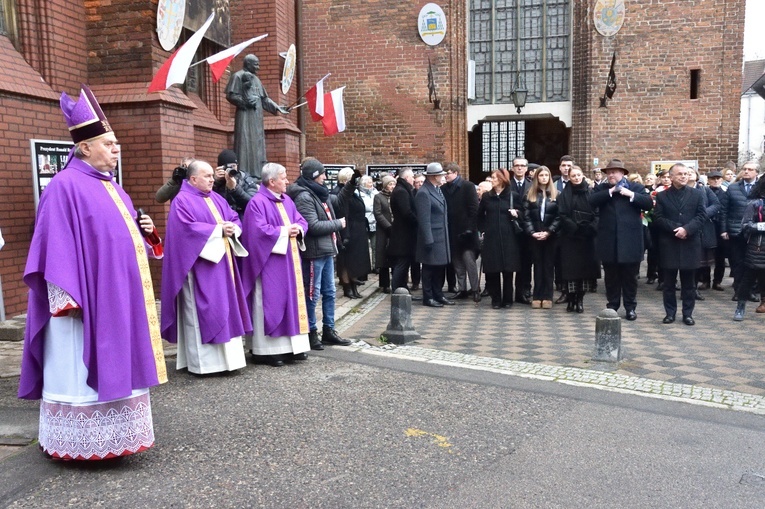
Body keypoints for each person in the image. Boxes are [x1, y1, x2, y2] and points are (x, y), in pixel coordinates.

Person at [19, 85, 167, 460]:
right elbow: (52, 246)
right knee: (77, 363)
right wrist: (66, 297)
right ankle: (78, 443)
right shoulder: (63, 187)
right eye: (109, 143)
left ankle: (116, 439)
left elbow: (116, 237)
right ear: (84, 148)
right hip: (80, 302)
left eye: (116, 143)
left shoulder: (115, 189)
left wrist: (144, 231)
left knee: (120, 363)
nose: (116, 149)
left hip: (116, 297)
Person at [160, 160, 250, 375]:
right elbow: (185, 231)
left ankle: (230, 361)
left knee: (225, 308)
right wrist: (218, 230)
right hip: (199, 266)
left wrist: (233, 228)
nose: (212, 179)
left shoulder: (217, 198)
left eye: (212, 176)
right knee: (204, 311)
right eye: (207, 176)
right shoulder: (181, 200)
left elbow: (234, 218)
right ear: (193, 179)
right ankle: (205, 365)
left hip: (224, 265)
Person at [240, 163, 310, 367]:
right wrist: (284, 232)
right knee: (269, 300)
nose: (287, 181)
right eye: (284, 177)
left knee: (291, 301)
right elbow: (257, 232)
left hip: (290, 260)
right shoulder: (257, 202)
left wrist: (298, 228)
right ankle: (265, 351)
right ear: (272, 181)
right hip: (268, 262)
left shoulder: (287, 200)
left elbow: (300, 221)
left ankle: (291, 348)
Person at [286, 157, 351, 348]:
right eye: (321, 173)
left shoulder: (319, 193)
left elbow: (337, 201)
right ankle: (311, 331)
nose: (324, 176)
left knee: (330, 292)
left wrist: (351, 184)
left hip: (326, 250)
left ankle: (329, 330)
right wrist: (338, 224)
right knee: (312, 294)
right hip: (314, 253)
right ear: (313, 176)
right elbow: (312, 226)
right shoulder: (304, 196)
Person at [589, 158, 653, 320]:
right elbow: (591, 201)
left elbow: (648, 203)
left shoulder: (635, 187)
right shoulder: (601, 188)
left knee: (630, 277)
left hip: (631, 241)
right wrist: (611, 192)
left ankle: (630, 307)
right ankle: (613, 305)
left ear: (623, 173)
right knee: (611, 276)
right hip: (609, 240)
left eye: (614, 172)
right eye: (608, 172)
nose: (611, 175)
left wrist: (630, 194)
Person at [652, 163, 707, 325]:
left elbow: (702, 216)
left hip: (690, 242)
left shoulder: (697, 194)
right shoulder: (662, 196)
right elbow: (658, 218)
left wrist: (687, 229)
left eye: (685, 174)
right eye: (680, 174)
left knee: (689, 283)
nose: (684, 176)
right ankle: (670, 313)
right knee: (669, 283)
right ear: (672, 177)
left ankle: (687, 314)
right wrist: (676, 229)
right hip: (670, 242)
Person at [225, 54, 289, 179]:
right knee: (245, 143)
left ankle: (256, 174)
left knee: (257, 145)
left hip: (257, 119)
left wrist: (278, 107)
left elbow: (264, 99)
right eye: (256, 64)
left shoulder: (256, 80)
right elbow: (230, 96)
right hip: (245, 117)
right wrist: (244, 102)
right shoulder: (237, 76)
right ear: (248, 64)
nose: (258, 67)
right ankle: (244, 174)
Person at [557, 165, 600, 313]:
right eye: (573, 175)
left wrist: (590, 228)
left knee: (584, 272)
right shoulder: (564, 195)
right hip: (570, 238)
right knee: (571, 272)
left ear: (582, 175)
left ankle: (580, 299)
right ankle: (571, 299)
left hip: (587, 238)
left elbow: (597, 213)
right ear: (569, 177)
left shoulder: (591, 192)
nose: (576, 178)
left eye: (578, 175)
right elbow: (562, 214)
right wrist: (574, 226)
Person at [477, 168, 522, 309]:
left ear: (502, 179)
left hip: (509, 237)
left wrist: (517, 213)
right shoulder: (486, 197)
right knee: (493, 270)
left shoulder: (512, 195)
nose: (492, 180)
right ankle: (495, 299)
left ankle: (508, 299)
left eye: (495, 177)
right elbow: (479, 216)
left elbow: (523, 213)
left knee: (508, 271)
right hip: (492, 237)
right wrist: (483, 230)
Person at [720, 162, 760, 300]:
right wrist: (723, 229)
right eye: (744, 169)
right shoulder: (733, 188)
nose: (746, 171)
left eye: (750, 169)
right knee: (738, 262)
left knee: (753, 263)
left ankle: (751, 291)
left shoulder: (761, 188)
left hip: (755, 232)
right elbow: (724, 210)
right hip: (736, 230)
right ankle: (738, 290)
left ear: (756, 172)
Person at [415, 162, 453, 307]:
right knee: (429, 268)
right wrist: (428, 239)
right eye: (441, 175)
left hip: (441, 236)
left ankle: (438, 294)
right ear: (434, 176)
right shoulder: (424, 193)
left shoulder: (437, 190)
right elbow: (424, 219)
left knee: (439, 267)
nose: (443, 177)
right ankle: (428, 296)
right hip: (432, 237)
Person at [522, 165, 560, 309]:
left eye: (546, 175)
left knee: (548, 266)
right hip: (535, 236)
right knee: (538, 266)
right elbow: (526, 216)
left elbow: (558, 216)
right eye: (541, 175)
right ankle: (537, 295)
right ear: (536, 177)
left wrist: (549, 231)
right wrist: (533, 232)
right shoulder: (529, 194)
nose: (543, 178)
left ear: (549, 177)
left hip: (550, 236)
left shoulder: (556, 194)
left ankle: (548, 296)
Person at [442, 162, 480, 301]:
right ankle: (462, 289)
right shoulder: (444, 189)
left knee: (469, 262)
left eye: (448, 173)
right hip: (451, 231)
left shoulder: (467, 186)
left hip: (466, 232)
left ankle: (475, 289)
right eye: (444, 173)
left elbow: (474, 208)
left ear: (456, 173)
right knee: (457, 263)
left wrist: (470, 228)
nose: (445, 176)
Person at [331, 167, 370, 298]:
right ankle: (347, 287)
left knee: (355, 260)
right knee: (346, 261)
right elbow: (343, 213)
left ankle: (353, 286)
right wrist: (345, 234)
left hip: (358, 229)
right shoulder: (341, 193)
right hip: (348, 230)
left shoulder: (354, 192)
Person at [733, 176, 765, 320]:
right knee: (748, 279)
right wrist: (762, 226)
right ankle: (740, 307)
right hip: (757, 247)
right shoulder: (755, 204)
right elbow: (745, 225)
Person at [388, 168, 418, 293]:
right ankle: (396, 290)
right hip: (403, 235)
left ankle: (402, 288)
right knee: (401, 263)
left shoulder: (403, 189)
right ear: (406, 178)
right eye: (412, 177)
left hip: (404, 233)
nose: (414, 179)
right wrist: (418, 221)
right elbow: (406, 212)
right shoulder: (401, 191)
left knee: (404, 264)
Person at [509, 158, 532, 304]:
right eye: (517, 166)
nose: (519, 168)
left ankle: (522, 292)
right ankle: (507, 293)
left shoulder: (532, 185)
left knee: (525, 262)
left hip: (526, 229)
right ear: (512, 168)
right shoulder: (506, 185)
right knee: (510, 262)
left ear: (526, 169)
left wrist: (520, 213)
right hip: (510, 229)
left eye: (522, 166)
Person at [213, 149, 260, 219]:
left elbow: (252, 205)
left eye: (233, 166)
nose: (231, 169)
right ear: (220, 168)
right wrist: (215, 182)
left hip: (243, 221)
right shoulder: (213, 181)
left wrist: (235, 189)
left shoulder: (245, 179)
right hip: (223, 221)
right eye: (228, 167)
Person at [705, 170, 728, 291]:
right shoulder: (704, 191)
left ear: (722, 180)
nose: (715, 180)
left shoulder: (726, 192)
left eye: (718, 178)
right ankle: (705, 280)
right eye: (713, 178)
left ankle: (717, 281)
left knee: (720, 256)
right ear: (708, 180)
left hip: (720, 226)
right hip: (708, 225)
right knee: (705, 254)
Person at [373, 175, 396, 293]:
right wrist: (388, 226)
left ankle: (396, 281)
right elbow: (378, 213)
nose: (392, 187)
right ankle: (384, 283)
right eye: (390, 184)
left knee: (395, 256)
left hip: (396, 230)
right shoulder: (378, 197)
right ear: (385, 186)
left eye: (393, 184)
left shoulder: (396, 196)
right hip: (383, 230)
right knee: (383, 257)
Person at [359, 175, 379, 274]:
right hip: (364, 223)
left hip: (375, 222)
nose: (371, 183)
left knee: (375, 246)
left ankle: (376, 266)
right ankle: (365, 267)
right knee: (365, 247)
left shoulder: (375, 192)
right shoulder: (359, 194)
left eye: (371, 181)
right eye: (369, 182)